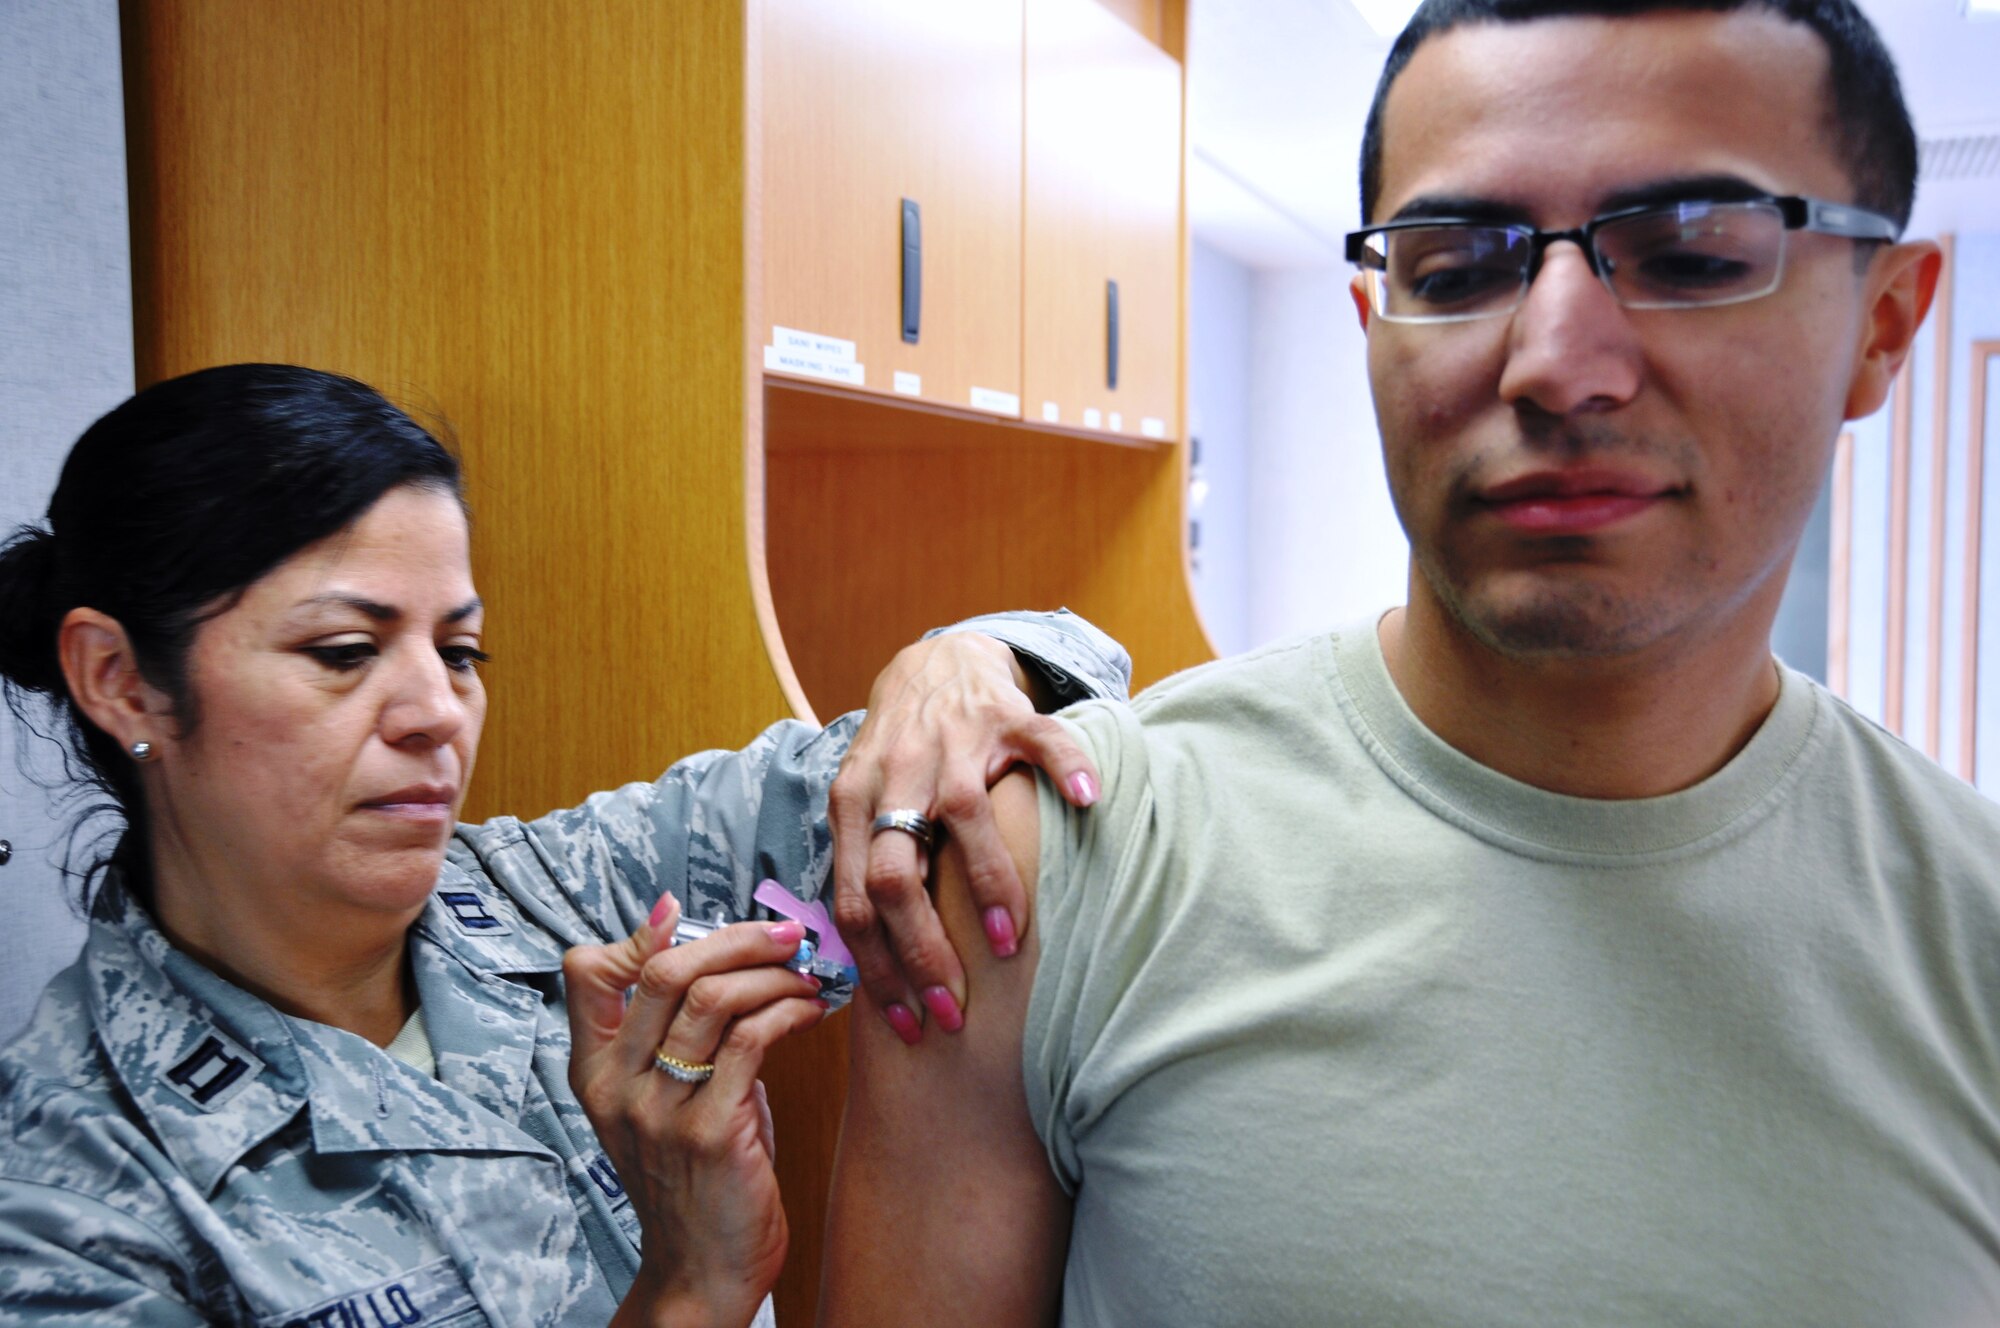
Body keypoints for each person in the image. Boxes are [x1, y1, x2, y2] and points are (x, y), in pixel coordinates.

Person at [821, 2, 2000, 1323]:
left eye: (1686, 254)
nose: (1557, 362)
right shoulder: (1053, 869)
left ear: (1887, 326)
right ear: (1375, 318)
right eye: (1457, 269)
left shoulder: (1972, 940)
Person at [0, 362, 1129, 1325]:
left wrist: (949, 668)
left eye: (460, 651)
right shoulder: (69, 1185)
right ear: (119, 678)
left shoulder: (569, 891)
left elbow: (1049, 700)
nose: (435, 709)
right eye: (346, 649)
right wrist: (686, 1288)